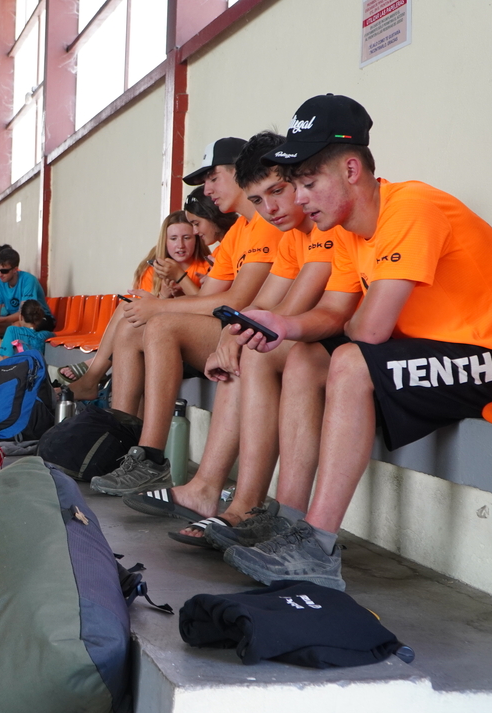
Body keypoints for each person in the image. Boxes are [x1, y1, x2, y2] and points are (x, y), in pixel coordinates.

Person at [220, 94, 492, 591]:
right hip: (442, 356)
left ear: (351, 169)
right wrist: (282, 325)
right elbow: (334, 314)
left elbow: (370, 331)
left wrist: (343, 329)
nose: (301, 199)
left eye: (309, 183)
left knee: (351, 360)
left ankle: (317, 547)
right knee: (306, 357)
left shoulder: (411, 207)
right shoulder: (346, 231)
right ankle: (288, 524)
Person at [123, 131, 336, 542]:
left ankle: (248, 507)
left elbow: (285, 306)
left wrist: (235, 334)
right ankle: (210, 491)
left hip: (338, 346)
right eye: (259, 199)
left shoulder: (312, 227)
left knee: (245, 348)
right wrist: (233, 333)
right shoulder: (286, 232)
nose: (270, 208)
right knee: (240, 346)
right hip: (305, 337)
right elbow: (263, 303)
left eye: (280, 191)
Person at [89, 136, 284, 496]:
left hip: (255, 334)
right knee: (133, 327)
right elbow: (208, 300)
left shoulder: (268, 223)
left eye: (212, 177)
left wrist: (160, 307)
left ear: (240, 172)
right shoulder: (239, 231)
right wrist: (155, 305)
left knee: (161, 325)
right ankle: (123, 446)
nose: (207, 190)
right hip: (229, 330)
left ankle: (151, 459)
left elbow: (237, 300)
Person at [63, 197, 233, 400]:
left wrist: (180, 278)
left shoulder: (207, 262)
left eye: (187, 236)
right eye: (173, 238)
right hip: (170, 327)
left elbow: (208, 305)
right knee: (128, 311)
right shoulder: (155, 267)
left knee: (140, 330)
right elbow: (149, 308)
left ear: (196, 237)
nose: (180, 245)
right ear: (165, 241)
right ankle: (96, 378)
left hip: (194, 334)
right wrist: (164, 297)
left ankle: (94, 373)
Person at [0, 247, 53, 336]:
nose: (0, 274)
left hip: (38, 318)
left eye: (4, 271)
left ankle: (7, 345)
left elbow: (25, 313)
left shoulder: (28, 280)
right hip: (18, 318)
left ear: (15, 269)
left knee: (16, 327)